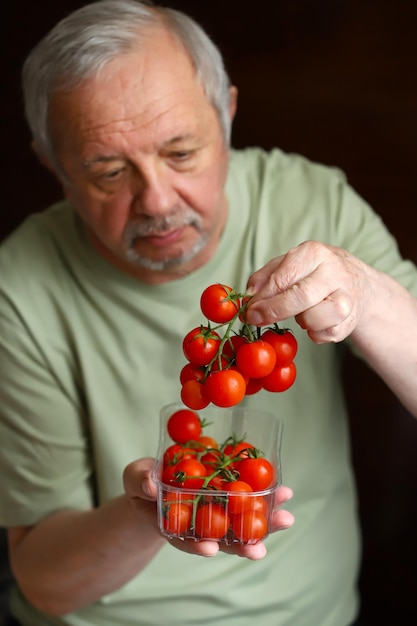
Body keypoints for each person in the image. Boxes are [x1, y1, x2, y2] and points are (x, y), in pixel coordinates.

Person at [0, 0, 416, 624]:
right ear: (54, 166)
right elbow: (46, 584)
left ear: (226, 115)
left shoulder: (312, 203)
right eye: (109, 171)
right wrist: (148, 514)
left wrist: (370, 294)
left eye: (182, 153)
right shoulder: (19, 286)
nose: (158, 201)